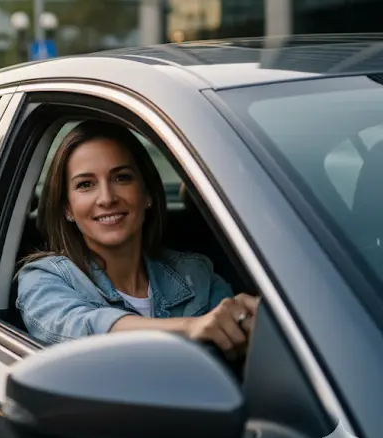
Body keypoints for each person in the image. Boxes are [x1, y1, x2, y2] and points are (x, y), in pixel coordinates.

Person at [16, 120, 259, 360]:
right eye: (86, 184)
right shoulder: (44, 279)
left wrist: (247, 320)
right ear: (67, 208)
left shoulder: (196, 273)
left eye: (121, 178)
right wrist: (191, 327)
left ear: (147, 194)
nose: (107, 198)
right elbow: (83, 327)